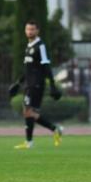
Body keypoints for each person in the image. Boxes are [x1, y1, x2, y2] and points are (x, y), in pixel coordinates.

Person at [9, 20, 63, 149]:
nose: (30, 31)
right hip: (29, 83)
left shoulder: (40, 46)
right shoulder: (29, 46)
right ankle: (54, 129)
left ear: (37, 31)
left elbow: (46, 65)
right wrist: (18, 83)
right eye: (28, 29)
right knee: (29, 112)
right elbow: (28, 69)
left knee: (28, 111)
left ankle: (30, 142)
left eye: (32, 29)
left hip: (37, 84)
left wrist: (53, 84)